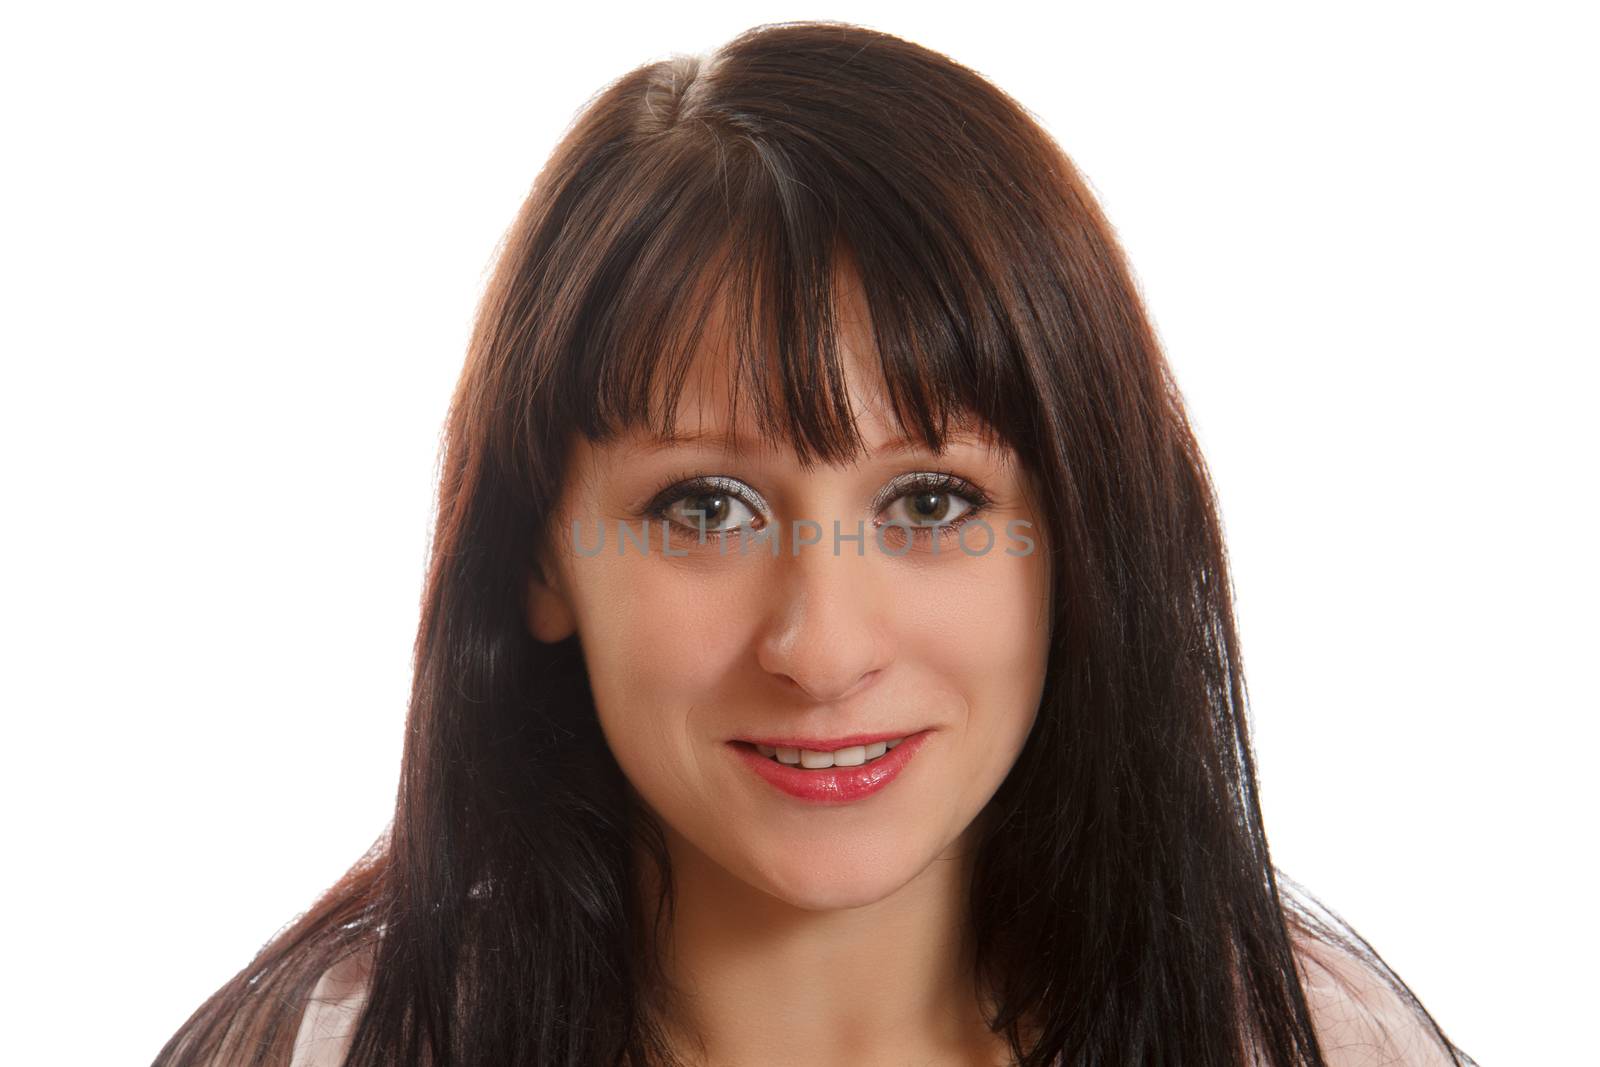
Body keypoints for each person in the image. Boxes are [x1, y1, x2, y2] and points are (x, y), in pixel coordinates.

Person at [153, 20, 1478, 1067]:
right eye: (703, 508)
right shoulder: (325, 1056)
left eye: (933, 503)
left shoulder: (1312, 1049)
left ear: (1085, 540)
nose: (821, 648)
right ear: (539, 559)